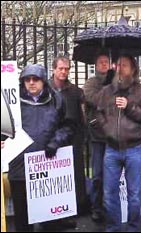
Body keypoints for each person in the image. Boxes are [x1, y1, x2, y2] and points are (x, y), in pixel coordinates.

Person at [8, 64, 73, 232]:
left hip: (47, 167)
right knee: (22, 217)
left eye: (35, 79)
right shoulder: (12, 103)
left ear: (43, 81)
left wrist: (56, 142)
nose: (31, 83)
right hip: (19, 166)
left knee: (49, 218)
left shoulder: (57, 100)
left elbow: (67, 126)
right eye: (27, 79)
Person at [95, 55, 141, 232]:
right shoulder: (107, 91)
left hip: (134, 149)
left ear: (133, 69)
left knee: (134, 195)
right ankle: (113, 227)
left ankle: (133, 228)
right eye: (118, 65)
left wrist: (130, 107)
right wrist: (107, 129)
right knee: (108, 194)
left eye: (125, 65)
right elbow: (98, 113)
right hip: (112, 149)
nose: (120, 69)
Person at [48, 55, 88, 216]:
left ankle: (76, 207)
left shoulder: (77, 92)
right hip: (51, 140)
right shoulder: (46, 90)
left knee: (76, 175)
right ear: (54, 69)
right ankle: (53, 210)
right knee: (54, 178)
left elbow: (84, 116)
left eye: (67, 69)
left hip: (74, 140)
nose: (64, 72)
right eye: (61, 68)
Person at [83, 52, 114, 222]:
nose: (103, 64)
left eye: (106, 62)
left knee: (114, 174)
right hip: (98, 136)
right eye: (101, 62)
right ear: (95, 65)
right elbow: (94, 99)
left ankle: (112, 206)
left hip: (115, 135)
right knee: (98, 175)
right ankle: (96, 206)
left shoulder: (116, 80)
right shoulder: (90, 82)